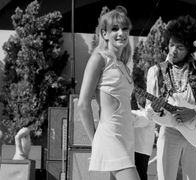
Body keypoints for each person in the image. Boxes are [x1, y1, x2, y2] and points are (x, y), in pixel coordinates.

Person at [145, 15, 196, 180]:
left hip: (195, 131)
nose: (173, 50)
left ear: (190, 48)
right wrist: (154, 110)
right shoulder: (156, 72)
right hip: (169, 132)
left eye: (180, 47)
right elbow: (149, 110)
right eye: (171, 45)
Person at [77, 6, 140, 180]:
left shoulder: (123, 64)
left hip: (126, 135)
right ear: (104, 34)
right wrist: (94, 139)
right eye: (114, 29)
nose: (121, 33)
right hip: (110, 134)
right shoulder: (99, 59)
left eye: (124, 28)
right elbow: (83, 105)